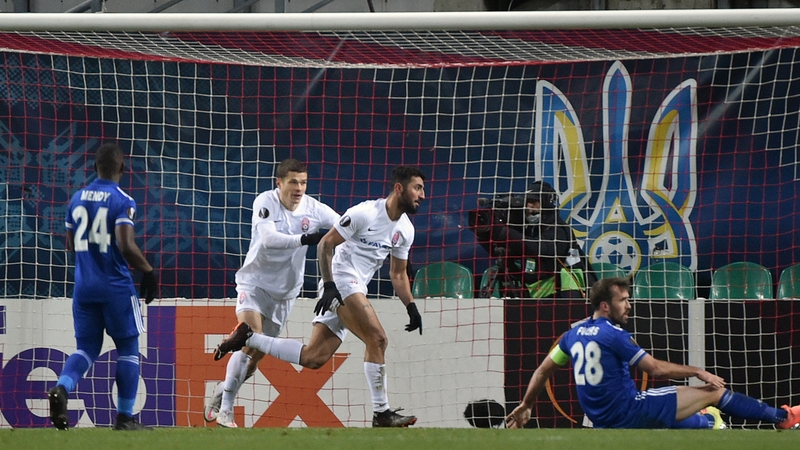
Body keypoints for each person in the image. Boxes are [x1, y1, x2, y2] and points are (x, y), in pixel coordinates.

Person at [213, 166, 426, 428]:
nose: (423, 195)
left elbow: (398, 274)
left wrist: (411, 306)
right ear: (399, 188)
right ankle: (382, 413)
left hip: (335, 288)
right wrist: (329, 285)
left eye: (304, 182)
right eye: (418, 188)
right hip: (339, 283)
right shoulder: (365, 212)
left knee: (313, 358)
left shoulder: (405, 230)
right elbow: (325, 243)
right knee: (377, 339)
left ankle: (247, 337)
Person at [505, 277, 800, 430]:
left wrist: (526, 404)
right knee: (711, 391)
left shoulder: (571, 336)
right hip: (629, 410)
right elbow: (655, 369)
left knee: (670, 419)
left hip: (604, 420)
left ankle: (709, 423)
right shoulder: (614, 334)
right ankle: (782, 418)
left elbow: (542, 371)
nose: (629, 305)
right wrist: (698, 370)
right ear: (605, 306)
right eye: (623, 301)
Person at [203, 158, 339, 428]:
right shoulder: (265, 201)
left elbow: (342, 225)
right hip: (254, 285)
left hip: (285, 294)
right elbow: (268, 239)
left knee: (253, 361)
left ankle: (223, 390)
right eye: (293, 182)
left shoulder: (314, 208)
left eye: (303, 182)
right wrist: (306, 239)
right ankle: (227, 410)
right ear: (279, 183)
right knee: (248, 339)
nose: (299, 188)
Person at [50, 142, 159, 431]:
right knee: (128, 349)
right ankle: (124, 417)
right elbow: (126, 244)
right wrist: (148, 270)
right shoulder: (123, 200)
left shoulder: (76, 199)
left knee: (85, 348)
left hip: (84, 287)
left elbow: (71, 244)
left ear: (94, 167)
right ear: (122, 168)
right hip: (115, 288)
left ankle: (62, 387)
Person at [469, 180, 593, 299]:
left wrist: (503, 233)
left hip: (564, 296)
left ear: (546, 203)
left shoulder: (560, 230)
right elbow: (498, 251)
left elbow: (539, 248)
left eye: (534, 202)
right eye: (528, 202)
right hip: (534, 294)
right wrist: (484, 234)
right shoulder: (529, 229)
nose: (529, 206)